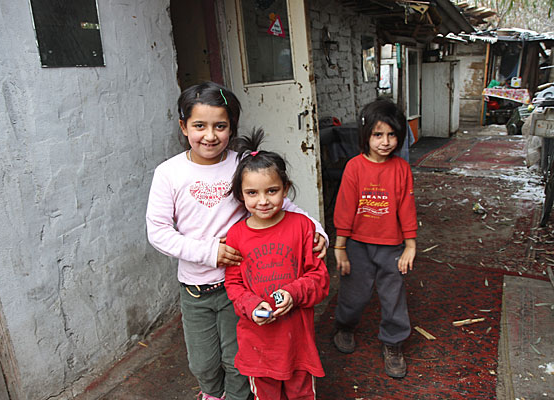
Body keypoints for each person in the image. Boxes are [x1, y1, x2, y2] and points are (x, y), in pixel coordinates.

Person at [145, 82, 328, 400]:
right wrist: (209, 252)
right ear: (183, 126)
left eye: (220, 126)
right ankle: (211, 393)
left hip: (243, 285)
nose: (210, 135)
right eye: (199, 126)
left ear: (232, 127)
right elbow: (158, 231)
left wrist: (318, 231)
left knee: (238, 361)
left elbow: (283, 204)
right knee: (202, 363)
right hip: (196, 289)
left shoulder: (240, 163)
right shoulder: (169, 173)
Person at [224, 129, 330, 400]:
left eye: (272, 191)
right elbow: (233, 284)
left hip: (298, 342)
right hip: (258, 345)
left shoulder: (303, 227)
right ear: (241, 195)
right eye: (252, 192)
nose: (263, 201)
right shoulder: (235, 236)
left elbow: (319, 279)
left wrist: (293, 293)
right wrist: (251, 305)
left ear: (286, 188)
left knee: (301, 394)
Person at [332, 98, 417, 379]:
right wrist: (340, 247)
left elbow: (406, 207)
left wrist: (410, 245)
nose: (385, 142)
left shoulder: (401, 169)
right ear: (366, 135)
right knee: (354, 294)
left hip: (392, 246)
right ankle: (344, 326)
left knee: (393, 297)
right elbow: (345, 208)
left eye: (392, 134)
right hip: (358, 245)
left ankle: (393, 342)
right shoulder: (354, 167)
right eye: (378, 134)